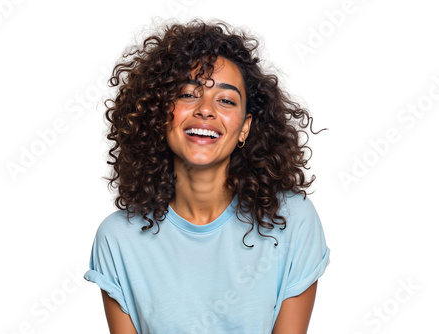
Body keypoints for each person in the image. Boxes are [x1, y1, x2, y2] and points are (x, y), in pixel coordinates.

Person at [84, 19, 330, 334]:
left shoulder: (293, 220)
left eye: (226, 100)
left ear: (245, 128)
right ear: (160, 113)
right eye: (188, 94)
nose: (205, 109)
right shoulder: (117, 239)